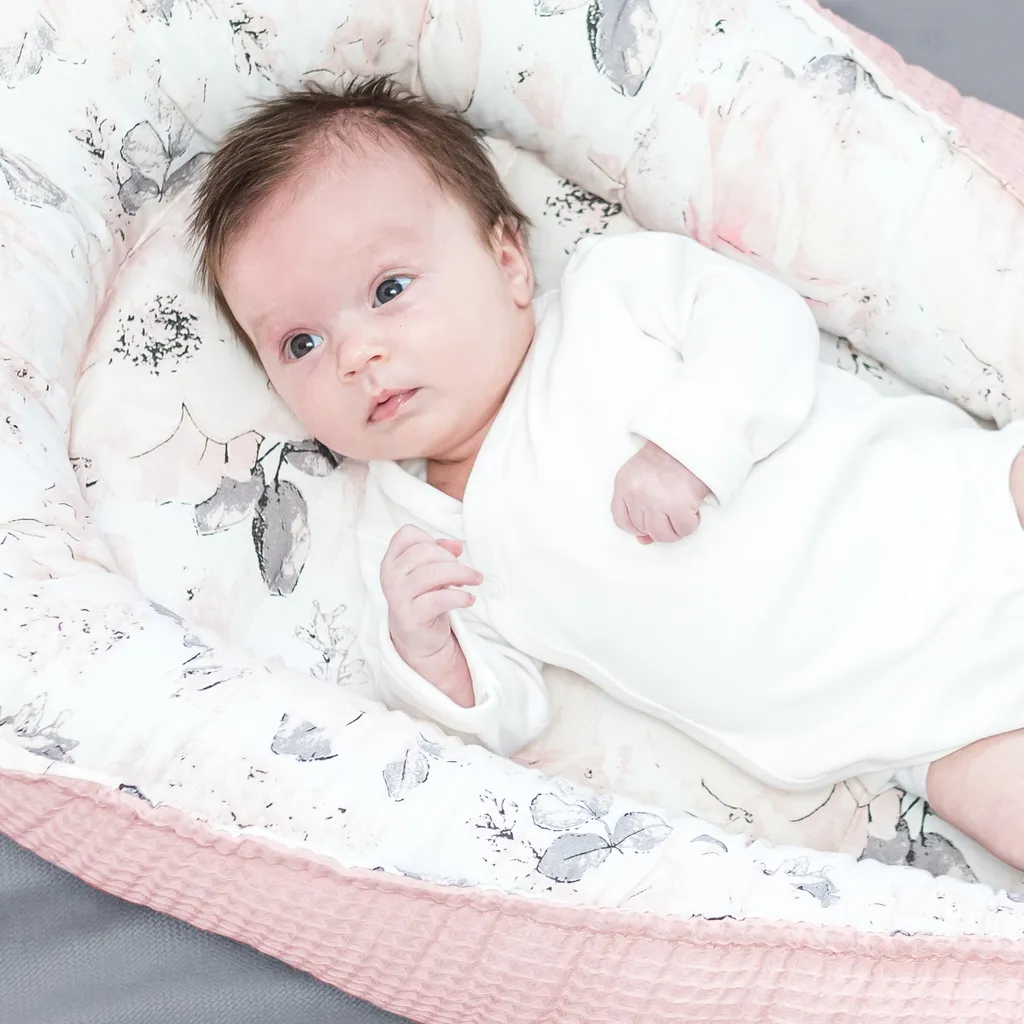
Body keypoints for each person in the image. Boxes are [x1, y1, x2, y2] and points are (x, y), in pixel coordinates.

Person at [191, 76, 1024, 869]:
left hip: (965, 505)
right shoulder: (413, 538)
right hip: (911, 719)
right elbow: (499, 715)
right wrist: (424, 649)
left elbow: (757, 322)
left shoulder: (609, 300)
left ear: (509, 262)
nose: (355, 354)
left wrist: (688, 445)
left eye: (388, 289)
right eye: (300, 343)